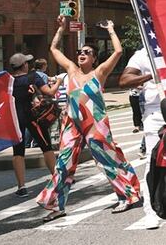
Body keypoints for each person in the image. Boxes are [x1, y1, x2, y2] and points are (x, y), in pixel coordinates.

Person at [37, 17, 142, 221]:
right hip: (72, 124)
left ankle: (126, 195)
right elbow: (53, 49)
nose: (82, 54)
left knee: (107, 160)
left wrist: (111, 29)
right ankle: (57, 205)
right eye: (80, 52)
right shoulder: (70, 70)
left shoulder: (99, 72)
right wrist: (60, 28)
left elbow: (118, 52)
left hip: (95, 124)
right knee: (63, 163)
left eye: (87, 52)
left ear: (94, 58)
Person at [119, 48, 166, 229]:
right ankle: (150, 211)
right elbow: (124, 80)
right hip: (156, 112)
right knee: (152, 161)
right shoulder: (143, 54)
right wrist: (150, 76)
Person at [8, 53, 56, 197]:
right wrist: (58, 82)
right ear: (24, 65)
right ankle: (56, 177)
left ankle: (21, 186)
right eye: (27, 63)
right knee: (46, 146)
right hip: (32, 116)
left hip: (15, 118)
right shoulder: (32, 77)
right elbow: (50, 92)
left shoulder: (8, 81)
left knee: (18, 152)